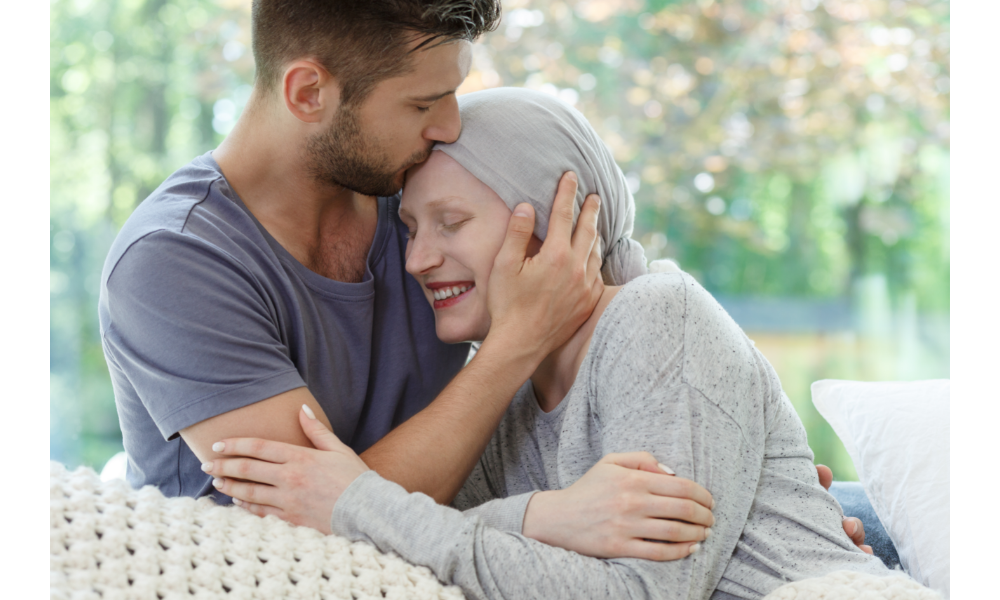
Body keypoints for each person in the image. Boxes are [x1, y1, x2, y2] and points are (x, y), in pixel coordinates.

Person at [99, 0, 727, 560]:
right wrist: (517, 343)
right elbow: (315, 528)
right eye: (422, 104)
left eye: (452, 94)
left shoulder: (417, 211)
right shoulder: (175, 261)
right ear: (308, 92)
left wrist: (725, 451)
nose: (449, 127)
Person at [205, 88, 889, 598]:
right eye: (413, 228)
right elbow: (434, 547)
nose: (418, 260)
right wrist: (546, 517)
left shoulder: (658, 319)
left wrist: (358, 501)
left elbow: (645, 591)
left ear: (566, 220)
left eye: (452, 221)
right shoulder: (495, 404)